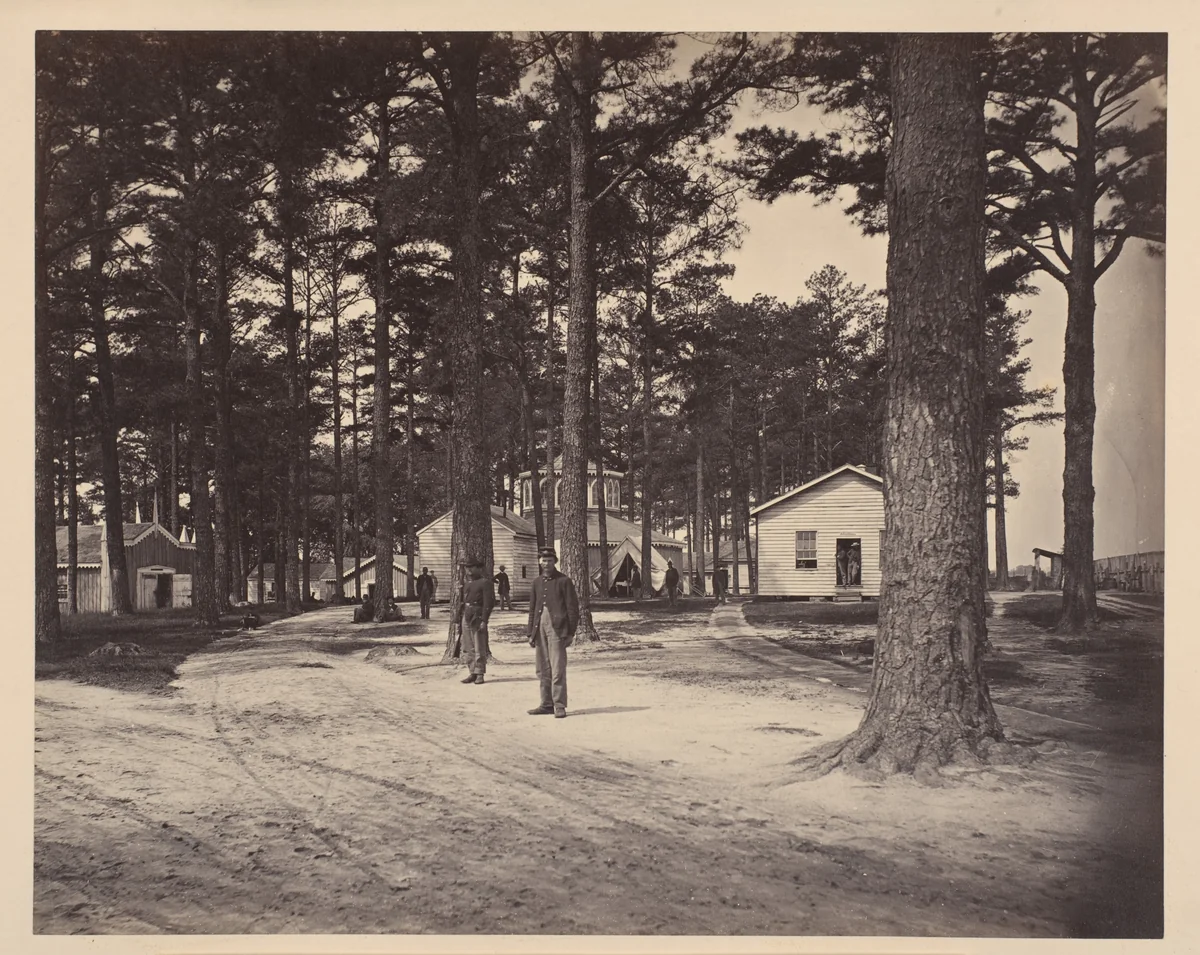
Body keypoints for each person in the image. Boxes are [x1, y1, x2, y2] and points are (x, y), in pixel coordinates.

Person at [526, 547, 579, 719]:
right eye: (543, 560)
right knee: (542, 669)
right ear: (539, 562)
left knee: (557, 668)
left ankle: (559, 705)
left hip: (557, 628)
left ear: (554, 562)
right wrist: (530, 633)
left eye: (549, 560)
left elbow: (572, 609)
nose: (545, 563)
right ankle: (546, 704)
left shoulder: (564, 581)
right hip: (539, 627)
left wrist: (570, 632)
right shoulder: (536, 582)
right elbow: (533, 609)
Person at [457, 557, 494, 685]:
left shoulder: (485, 583)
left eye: (472, 567)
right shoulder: (466, 583)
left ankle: (480, 673)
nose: (469, 570)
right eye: (467, 567)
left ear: (479, 568)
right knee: (467, 646)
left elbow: (489, 603)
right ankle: (472, 671)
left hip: (477, 616)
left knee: (479, 645)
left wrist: (484, 620)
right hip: (466, 615)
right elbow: (463, 601)